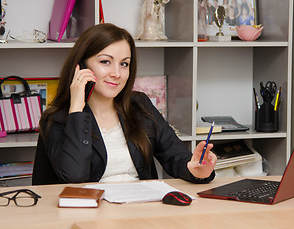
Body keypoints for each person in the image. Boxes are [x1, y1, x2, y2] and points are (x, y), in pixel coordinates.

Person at [32, 23, 217, 185]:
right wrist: (76, 109)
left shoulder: (140, 104)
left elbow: (175, 155)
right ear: (81, 66)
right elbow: (75, 176)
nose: (117, 74)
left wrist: (195, 169)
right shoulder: (57, 119)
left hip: (140, 211)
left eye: (124, 64)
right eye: (105, 62)